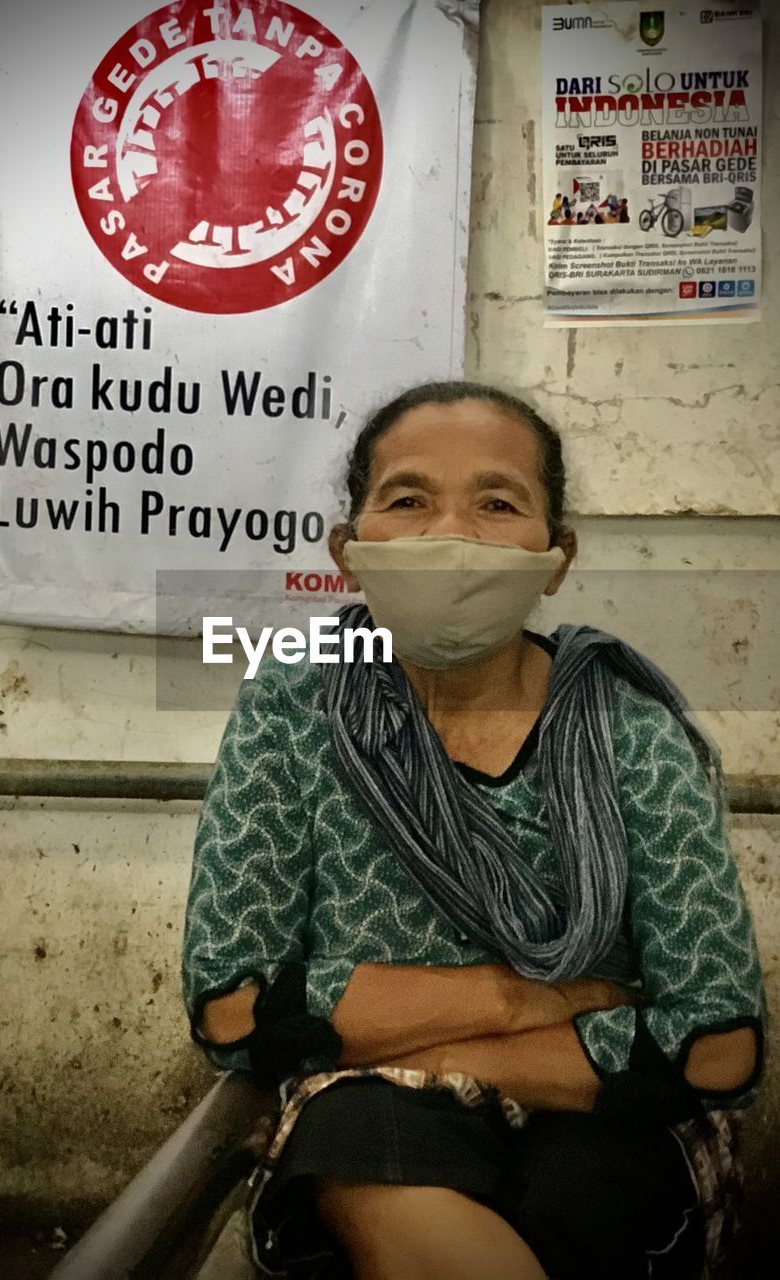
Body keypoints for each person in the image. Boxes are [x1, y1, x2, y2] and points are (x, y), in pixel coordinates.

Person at [182, 381, 764, 1280]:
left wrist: (408, 1041)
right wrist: (528, 998)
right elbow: (233, 1004)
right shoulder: (292, 708)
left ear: (555, 556)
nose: (450, 536)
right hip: (384, 1117)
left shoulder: (629, 730)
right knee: (370, 1144)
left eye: (497, 503)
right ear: (350, 550)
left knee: (584, 1200)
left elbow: (717, 1044)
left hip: (591, 1116)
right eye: (408, 500)